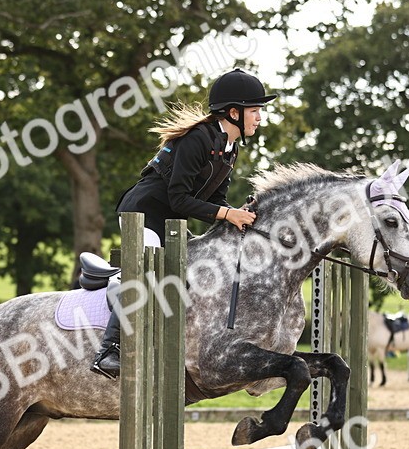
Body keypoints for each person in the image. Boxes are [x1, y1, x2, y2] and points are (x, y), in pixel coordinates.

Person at [89, 67, 274, 379]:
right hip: (143, 214)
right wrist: (228, 215)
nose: (259, 118)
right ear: (234, 113)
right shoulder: (197, 139)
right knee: (147, 276)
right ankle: (108, 350)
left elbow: (216, 200)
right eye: (254, 111)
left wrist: (238, 214)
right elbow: (179, 198)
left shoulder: (230, 148)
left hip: (171, 221)